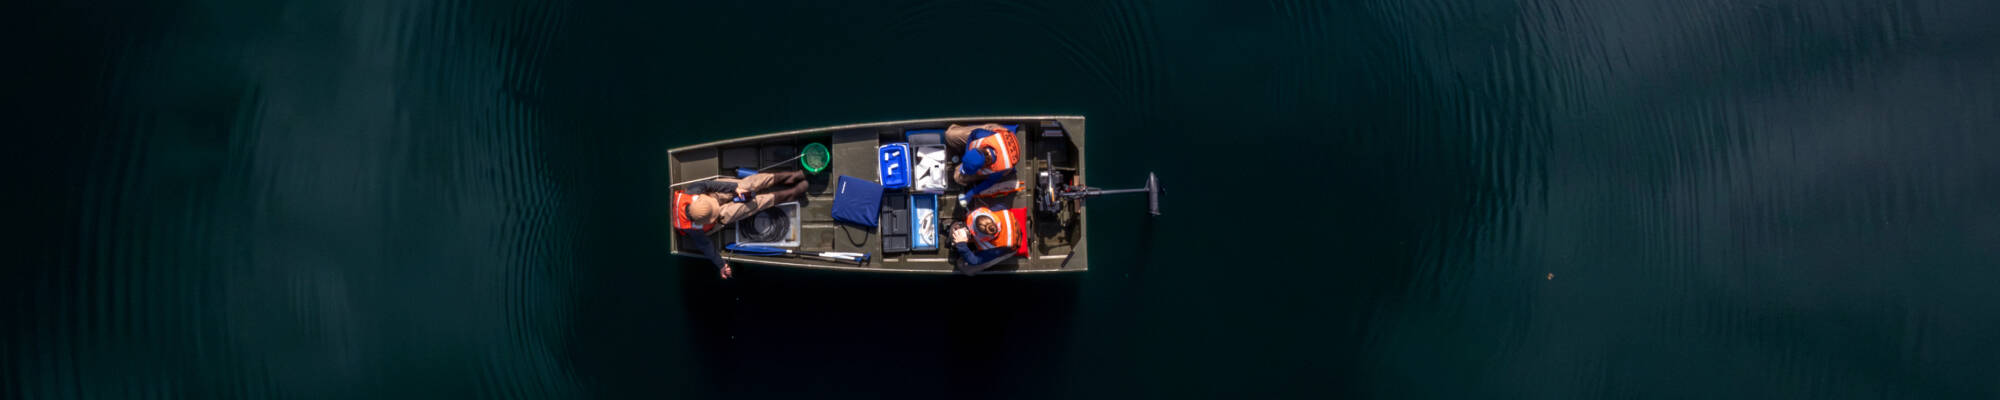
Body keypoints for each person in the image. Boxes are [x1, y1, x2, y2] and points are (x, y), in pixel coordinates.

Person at [673, 170, 810, 279]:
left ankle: (790, 177)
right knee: (752, 205)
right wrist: (721, 265)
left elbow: (711, 185)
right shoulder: (693, 230)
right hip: (718, 217)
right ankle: (792, 194)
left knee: (747, 185)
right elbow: (706, 246)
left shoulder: (693, 191)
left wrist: (735, 188)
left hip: (712, 196)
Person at [944, 123, 1025, 199]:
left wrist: (971, 193)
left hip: (1006, 154)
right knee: (949, 135)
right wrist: (968, 152)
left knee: (958, 177)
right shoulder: (982, 136)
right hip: (995, 135)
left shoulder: (999, 169)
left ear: (981, 167)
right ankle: (962, 149)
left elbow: (989, 182)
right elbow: (973, 133)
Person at [949, 204, 1029, 275]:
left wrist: (961, 245)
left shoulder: (995, 248)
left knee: (966, 267)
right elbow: (1002, 205)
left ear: (981, 238)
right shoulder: (998, 211)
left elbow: (975, 260)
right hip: (1011, 226)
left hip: (1007, 248)